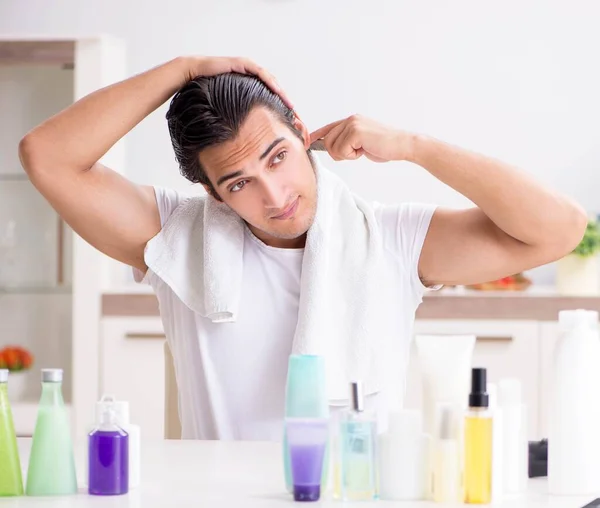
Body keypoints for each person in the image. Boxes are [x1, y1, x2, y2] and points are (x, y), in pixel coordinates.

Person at [19, 56, 586, 440]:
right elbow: (46, 155)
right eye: (238, 183)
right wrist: (184, 69)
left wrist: (414, 146)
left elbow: (558, 230)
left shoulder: (389, 240)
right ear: (211, 193)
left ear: (301, 130)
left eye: (277, 157)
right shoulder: (174, 237)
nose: (275, 195)